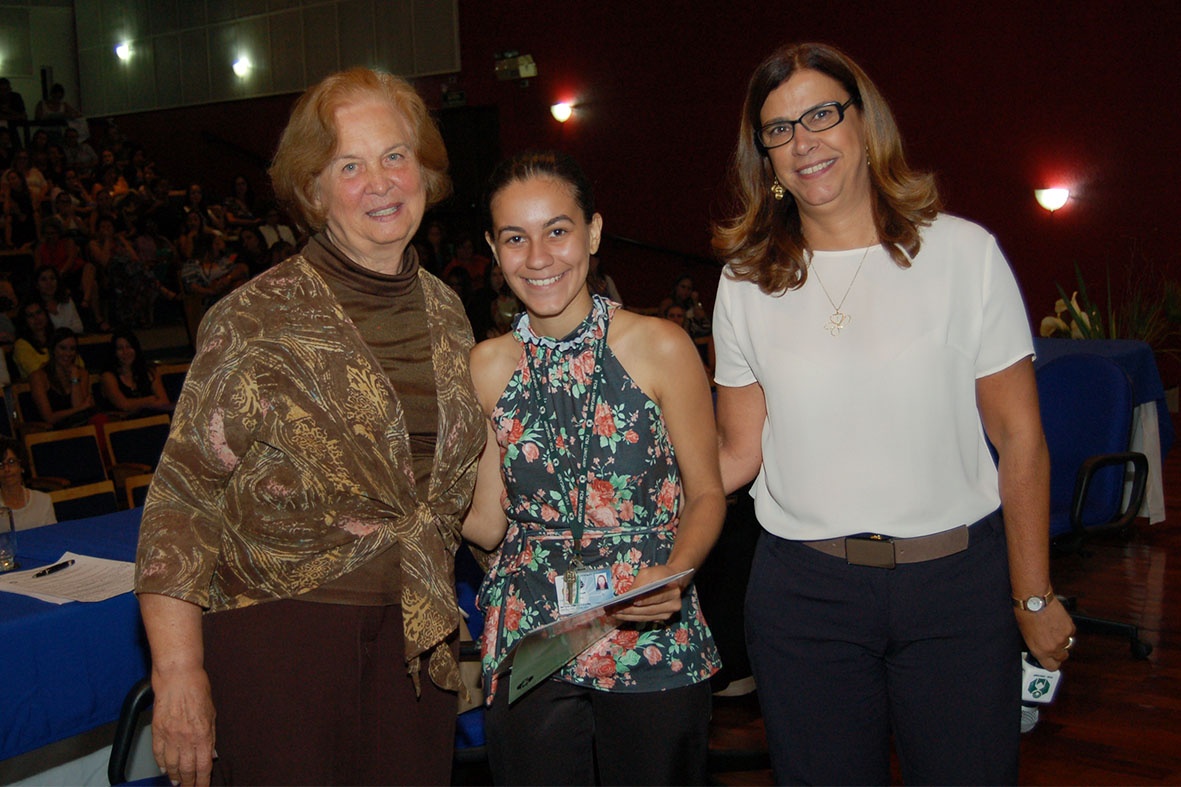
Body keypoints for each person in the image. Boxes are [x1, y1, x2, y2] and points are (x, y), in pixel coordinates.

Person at [710, 42, 1076, 785]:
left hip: (956, 588)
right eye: (778, 130)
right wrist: (629, 499)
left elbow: (1019, 437)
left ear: (863, 123)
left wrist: (1031, 592)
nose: (802, 141)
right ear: (765, 159)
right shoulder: (745, 281)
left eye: (819, 115)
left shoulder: (962, 254)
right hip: (803, 595)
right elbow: (736, 453)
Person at [134, 66, 485, 786]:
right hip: (278, 643)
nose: (380, 181)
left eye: (395, 155)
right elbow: (182, 500)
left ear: (426, 170)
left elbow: (462, 494)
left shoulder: (449, 311)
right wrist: (177, 672)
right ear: (313, 190)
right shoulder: (255, 317)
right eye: (348, 165)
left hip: (414, 645)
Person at [462, 150, 724, 785]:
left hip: (647, 619)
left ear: (594, 232)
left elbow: (708, 492)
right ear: (495, 253)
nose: (539, 257)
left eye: (558, 230)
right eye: (515, 238)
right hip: (534, 636)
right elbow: (486, 524)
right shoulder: (487, 365)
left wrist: (675, 573)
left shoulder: (660, 345)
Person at [28, 327, 98, 429]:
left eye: (72, 349)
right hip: (52, 431)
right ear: (53, 350)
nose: (68, 354)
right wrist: (81, 408)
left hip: (79, 426)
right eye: (63, 348)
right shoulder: (38, 377)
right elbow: (49, 417)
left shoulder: (81, 373)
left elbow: (79, 408)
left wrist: (74, 378)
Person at [100, 329, 171, 415]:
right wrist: (149, 400)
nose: (125, 352)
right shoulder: (108, 376)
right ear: (114, 352)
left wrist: (137, 405)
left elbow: (164, 402)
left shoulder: (149, 372)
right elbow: (124, 405)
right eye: (120, 349)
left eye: (129, 347)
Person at [0, 437, 56, 530]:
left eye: (11, 462)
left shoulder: (43, 501)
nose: (7, 469)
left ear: (21, 466)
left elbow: (53, 537)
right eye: (0, 465)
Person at [31, 265, 85, 334]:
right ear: (37, 285)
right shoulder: (34, 307)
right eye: (44, 279)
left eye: (52, 278)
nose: (49, 283)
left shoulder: (67, 301)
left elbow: (79, 327)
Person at [13, 300, 55, 378]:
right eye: (30, 316)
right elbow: (36, 372)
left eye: (39, 313)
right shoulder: (21, 345)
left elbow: (79, 365)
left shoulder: (57, 337)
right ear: (25, 321)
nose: (36, 318)